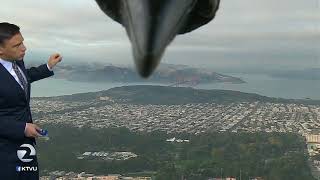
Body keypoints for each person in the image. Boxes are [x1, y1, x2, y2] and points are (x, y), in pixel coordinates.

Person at [0, 22, 62, 179]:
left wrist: (48, 66)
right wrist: (22, 128)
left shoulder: (16, 61)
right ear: (0, 49)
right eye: (17, 45)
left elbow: (21, 78)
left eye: (22, 42)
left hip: (25, 144)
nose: (24, 48)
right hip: (4, 150)